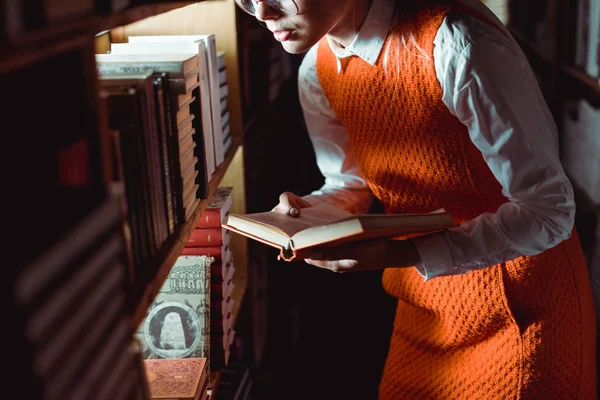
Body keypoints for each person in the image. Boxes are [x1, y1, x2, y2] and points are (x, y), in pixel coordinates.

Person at [235, 0, 598, 398]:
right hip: (424, 311)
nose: (262, 12)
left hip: (521, 309)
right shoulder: (316, 69)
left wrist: (398, 255)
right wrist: (309, 212)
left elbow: (549, 212)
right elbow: (350, 183)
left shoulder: (458, 43)